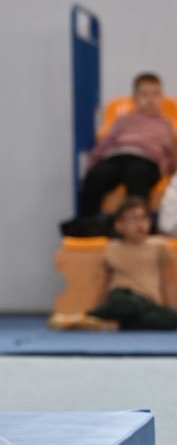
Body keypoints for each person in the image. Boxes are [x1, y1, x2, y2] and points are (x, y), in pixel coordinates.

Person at [72, 74, 176, 221]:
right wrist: (91, 166)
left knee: (136, 174)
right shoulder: (123, 121)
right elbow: (104, 145)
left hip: (147, 161)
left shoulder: (166, 125)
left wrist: (168, 170)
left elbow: (171, 153)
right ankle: (88, 225)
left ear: (161, 98)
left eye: (155, 94)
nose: (150, 99)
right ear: (135, 98)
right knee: (97, 175)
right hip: (118, 157)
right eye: (144, 94)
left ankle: (138, 225)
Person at [84, 197, 177, 330]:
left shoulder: (159, 246)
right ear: (119, 225)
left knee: (170, 318)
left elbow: (167, 283)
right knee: (127, 303)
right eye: (133, 219)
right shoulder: (113, 247)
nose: (140, 223)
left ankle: (118, 323)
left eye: (144, 218)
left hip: (148, 302)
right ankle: (93, 315)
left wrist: (170, 309)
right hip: (121, 295)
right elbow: (104, 283)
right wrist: (98, 305)